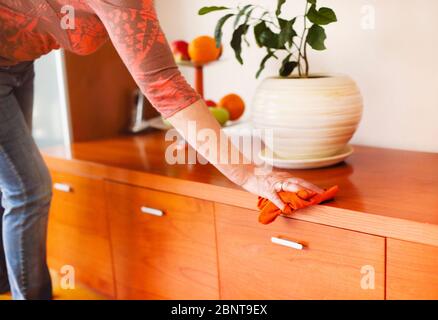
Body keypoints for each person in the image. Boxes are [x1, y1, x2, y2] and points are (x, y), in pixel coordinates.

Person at [0, 0, 323, 300]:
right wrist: (249, 174)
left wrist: (250, 174)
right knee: (28, 190)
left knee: (9, 181)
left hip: (18, 63)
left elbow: (162, 80)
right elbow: (164, 85)